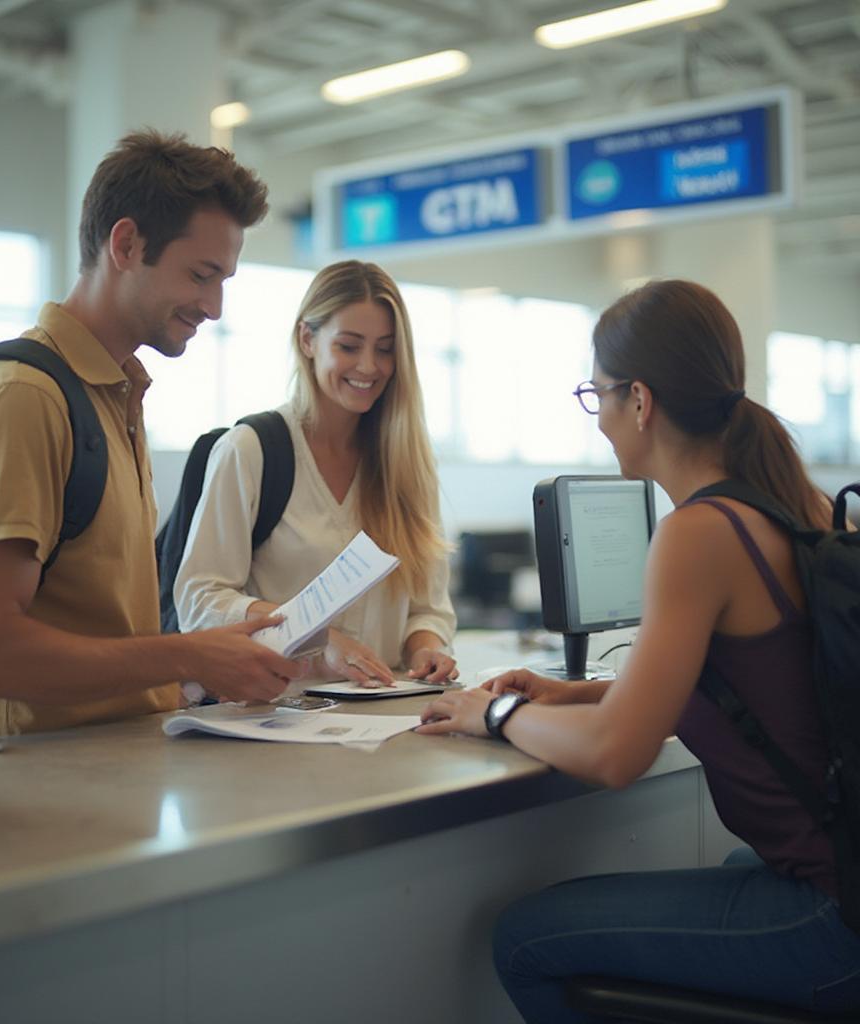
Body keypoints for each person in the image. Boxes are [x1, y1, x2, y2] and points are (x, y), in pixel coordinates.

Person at [417, 279, 860, 1019]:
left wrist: (491, 717)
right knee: (733, 867)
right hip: (844, 883)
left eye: (599, 398)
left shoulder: (699, 531)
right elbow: (752, 681)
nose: (600, 422)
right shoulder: (783, 503)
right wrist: (572, 693)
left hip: (835, 919)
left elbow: (617, 754)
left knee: (524, 940)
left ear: (642, 401)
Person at [0, 129, 306, 735]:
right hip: (35, 793)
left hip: (109, 773)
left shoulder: (111, 394)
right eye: (201, 274)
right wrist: (186, 653)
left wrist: (203, 658)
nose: (214, 307)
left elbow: (100, 632)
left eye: (223, 282)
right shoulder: (25, 398)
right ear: (127, 244)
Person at [174, 260, 457, 688]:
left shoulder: (409, 466)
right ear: (308, 339)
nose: (369, 366)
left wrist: (427, 648)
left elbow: (427, 608)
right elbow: (200, 601)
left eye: (385, 349)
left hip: (384, 720)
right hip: (275, 720)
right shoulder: (250, 450)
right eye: (349, 346)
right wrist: (317, 637)